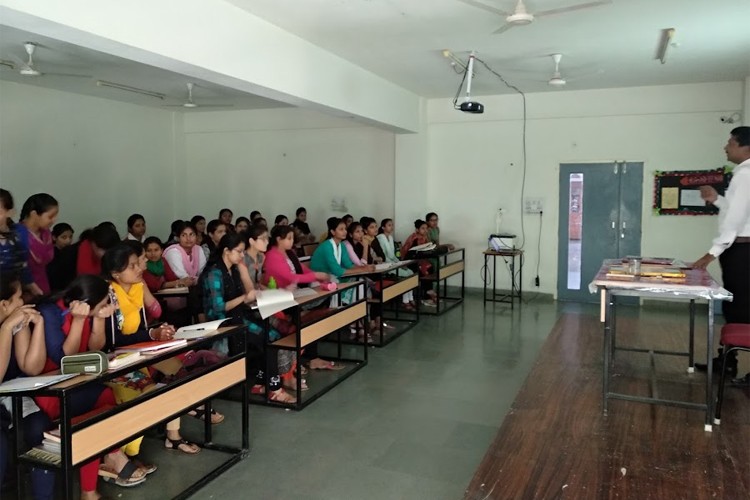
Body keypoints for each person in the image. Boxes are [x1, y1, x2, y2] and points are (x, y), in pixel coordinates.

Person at [37, 274, 148, 494]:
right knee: (95, 417)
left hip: (74, 381)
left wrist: (98, 319)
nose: (107, 306)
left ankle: (105, 467)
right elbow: (64, 359)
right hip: (49, 388)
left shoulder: (86, 310)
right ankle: (104, 470)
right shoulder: (51, 311)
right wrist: (79, 320)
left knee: (105, 399)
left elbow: (94, 350)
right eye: (103, 303)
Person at [103, 244, 210, 456]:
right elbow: (113, 340)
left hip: (137, 351)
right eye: (132, 266)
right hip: (114, 359)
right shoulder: (108, 294)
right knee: (146, 392)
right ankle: (125, 453)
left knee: (179, 373)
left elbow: (144, 327)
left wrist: (159, 331)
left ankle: (173, 436)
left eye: (137, 264)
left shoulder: (136, 287)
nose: (139, 269)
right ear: (116, 274)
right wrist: (152, 335)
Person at [201, 233, 296, 402]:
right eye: (239, 251)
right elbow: (217, 308)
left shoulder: (233, 270)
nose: (242, 255)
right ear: (226, 251)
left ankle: (260, 382)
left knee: (272, 334)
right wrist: (244, 298)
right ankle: (274, 388)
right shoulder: (214, 273)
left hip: (238, 317)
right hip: (223, 323)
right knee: (268, 337)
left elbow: (243, 296)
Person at [694, 126, 750, 381]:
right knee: (736, 306)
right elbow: (732, 210)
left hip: (742, 250)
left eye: (731, 143)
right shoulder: (742, 174)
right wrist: (716, 199)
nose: (726, 147)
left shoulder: (746, 174)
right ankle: (727, 359)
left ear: (744, 147)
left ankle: (730, 360)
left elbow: (735, 221)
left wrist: (711, 254)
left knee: (740, 307)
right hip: (738, 248)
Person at [0, 272, 56, 500]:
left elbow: (32, 367)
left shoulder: (15, 321)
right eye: (19, 297)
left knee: (41, 430)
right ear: (4, 304)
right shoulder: (8, 325)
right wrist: (4, 330)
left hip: (11, 396)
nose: (23, 302)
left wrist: (39, 324)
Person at [310, 217, 374, 341]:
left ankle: (356, 321)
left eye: (345, 229)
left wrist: (364, 268)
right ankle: (351, 323)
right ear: (333, 232)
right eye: (341, 229)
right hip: (320, 281)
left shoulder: (341, 246)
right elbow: (337, 270)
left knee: (360, 282)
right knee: (352, 282)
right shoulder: (327, 246)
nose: (344, 231)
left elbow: (348, 265)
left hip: (333, 278)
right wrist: (363, 269)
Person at [46, 222, 120, 292]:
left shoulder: (113, 256)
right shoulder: (69, 254)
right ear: (93, 243)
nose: (106, 254)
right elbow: (57, 284)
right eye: (103, 250)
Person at [15, 193, 59, 296]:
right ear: (34, 214)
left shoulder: (46, 232)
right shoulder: (17, 234)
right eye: (50, 216)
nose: (54, 220)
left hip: (43, 282)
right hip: (23, 289)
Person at [263, 225, 329, 289]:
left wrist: (316, 275)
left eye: (292, 238)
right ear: (279, 239)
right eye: (289, 238)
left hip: (294, 288)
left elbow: (300, 267)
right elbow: (289, 277)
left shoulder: (289, 252)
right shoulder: (272, 256)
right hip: (281, 292)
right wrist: (315, 276)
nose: (292, 241)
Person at [376, 218, 417, 310]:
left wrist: (399, 263)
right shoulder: (380, 238)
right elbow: (384, 256)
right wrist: (395, 264)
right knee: (406, 275)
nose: (391, 227)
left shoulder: (390, 238)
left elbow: (393, 255)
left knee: (410, 272)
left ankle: (410, 298)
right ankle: (405, 301)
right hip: (386, 264)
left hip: (393, 262)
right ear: (383, 227)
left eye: (392, 225)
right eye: (389, 225)